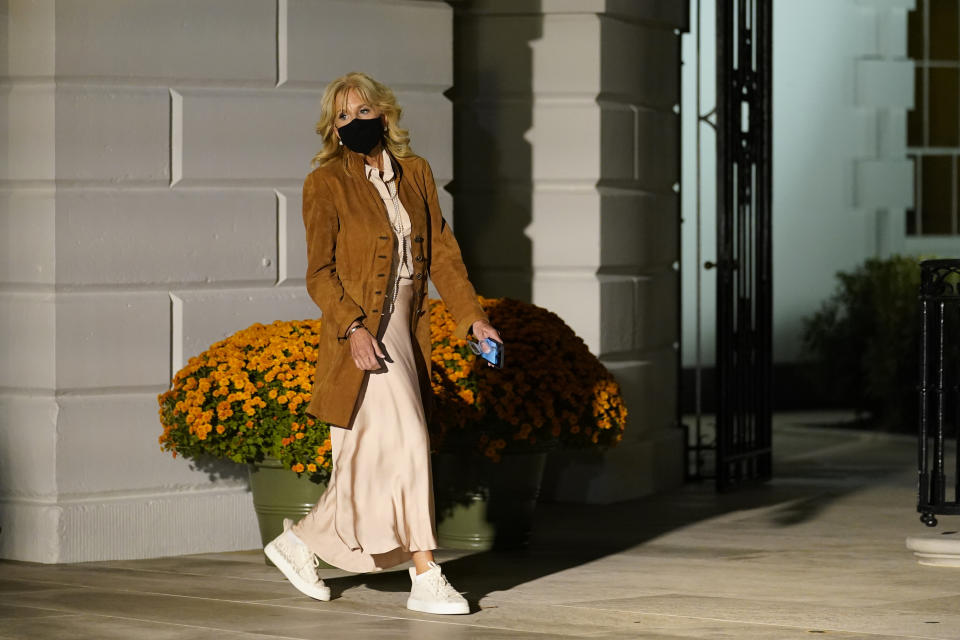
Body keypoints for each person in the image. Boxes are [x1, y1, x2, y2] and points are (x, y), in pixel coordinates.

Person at [264, 71, 502, 615]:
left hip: (406, 325)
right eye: (341, 117)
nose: (352, 123)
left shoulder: (415, 173)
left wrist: (473, 320)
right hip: (362, 328)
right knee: (410, 438)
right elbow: (319, 273)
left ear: (384, 114)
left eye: (361, 112)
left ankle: (300, 543)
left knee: (372, 455)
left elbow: (443, 254)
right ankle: (425, 573)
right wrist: (352, 328)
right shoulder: (324, 183)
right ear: (332, 128)